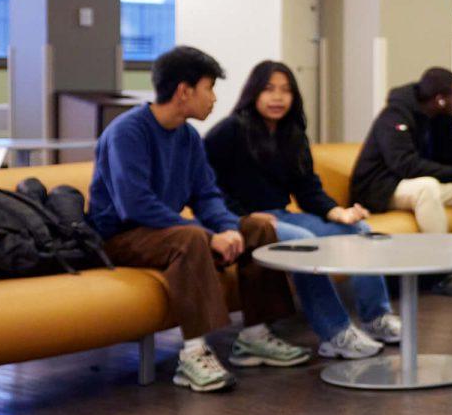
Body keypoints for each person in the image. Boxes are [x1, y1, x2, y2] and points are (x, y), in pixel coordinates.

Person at [87, 46, 306, 393]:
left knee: (259, 227)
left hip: (165, 232)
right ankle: (192, 353)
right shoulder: (127, 132)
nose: (214, 99)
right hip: (121, 238)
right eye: (209, 88)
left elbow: (207, 194)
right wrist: (205, 234)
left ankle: (254, 336)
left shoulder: (188, 137)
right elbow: (135, 205)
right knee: (190, 239)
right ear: (184, 91)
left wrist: (229, 229)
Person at [205, 60, 401, 360]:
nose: (277, 98)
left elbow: (308, 189)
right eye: (269, 89)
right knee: (304, 242)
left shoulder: (292, 133)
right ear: (253, 93)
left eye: (285, 91)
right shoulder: (230, 130)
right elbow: (206, 184)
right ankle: (335, 333)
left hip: (281, 214)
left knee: (360, 231)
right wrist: (242, 215)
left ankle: (376, 317)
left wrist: (338, 213)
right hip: (241, 221)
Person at [350, 67, 452, 298]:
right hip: (380, 188)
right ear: (440, 99)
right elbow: (406, 165)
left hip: (414, 186)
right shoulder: (395, 115)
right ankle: (440, 274)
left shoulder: (442, 117)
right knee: (427, 187)